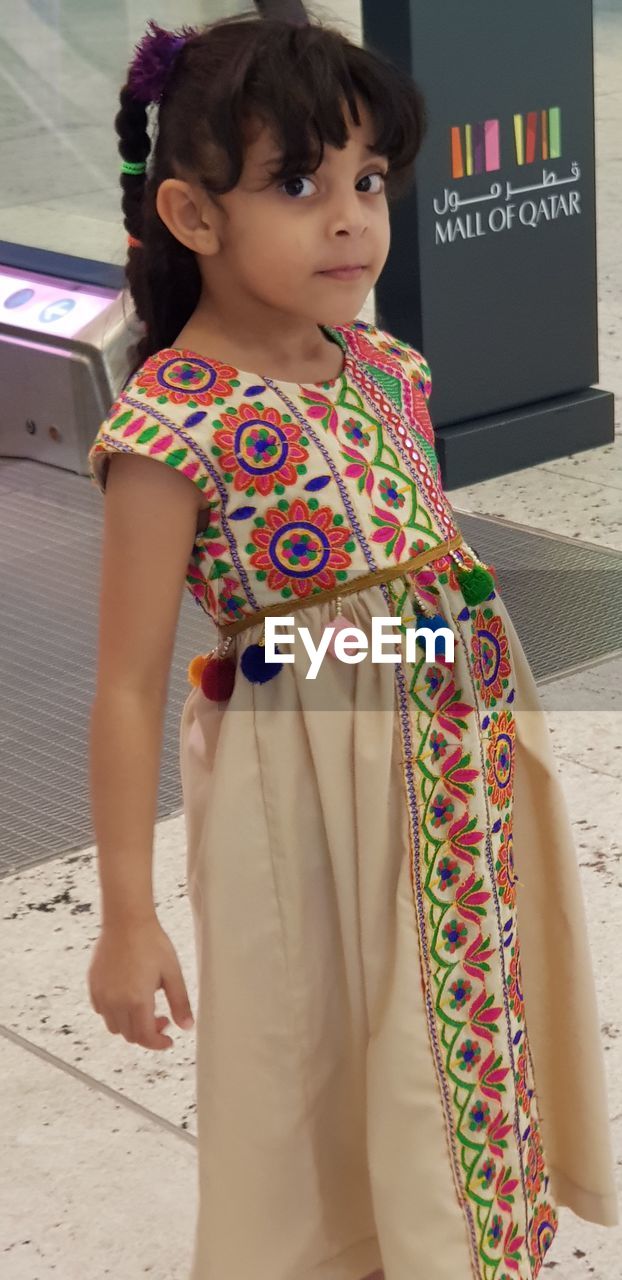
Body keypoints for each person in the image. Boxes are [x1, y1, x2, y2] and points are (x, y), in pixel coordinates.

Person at [86, 7, 618, 1279]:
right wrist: (121, 915)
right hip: (310, 797)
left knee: (468, 1018)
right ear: (192, 217)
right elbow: (122, 680)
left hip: (461, 776)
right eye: (298, 182)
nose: (350, 216)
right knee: (327, 1051)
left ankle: (475, 1241)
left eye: (368, 179)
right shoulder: (173, 425)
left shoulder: (386, 367)